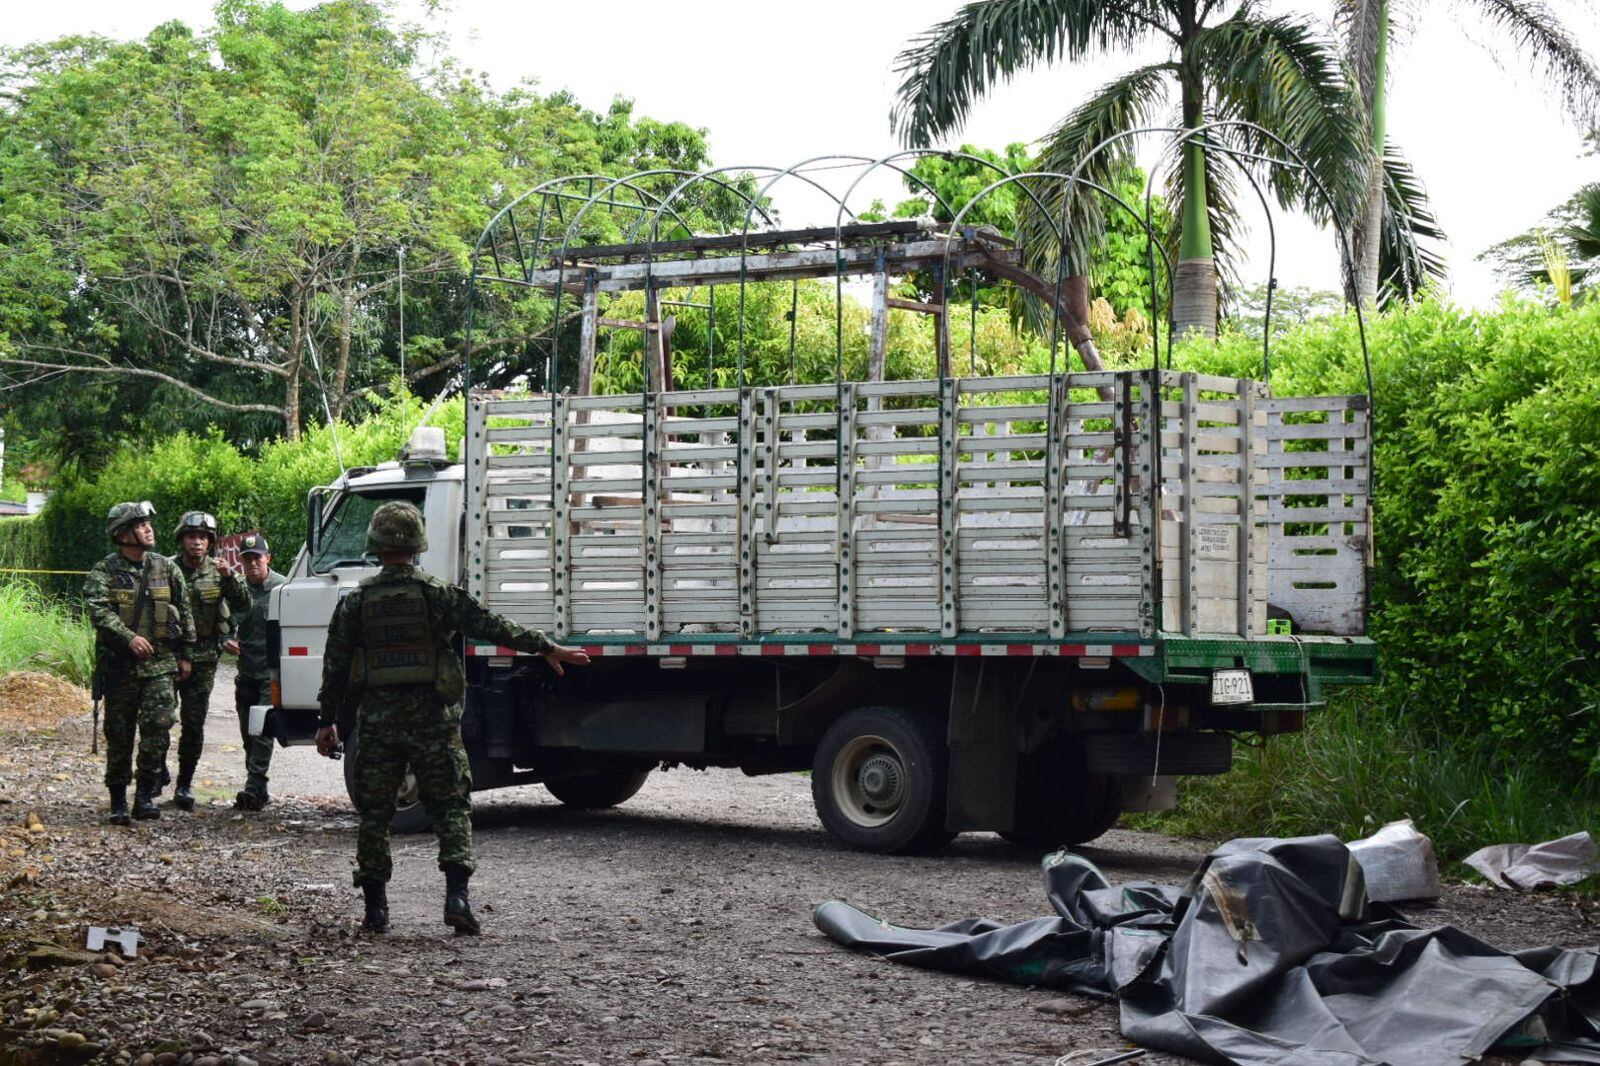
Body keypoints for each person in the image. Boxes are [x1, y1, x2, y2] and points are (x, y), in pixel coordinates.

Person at [313, 501, 590, 935]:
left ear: (375, 545)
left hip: (379, 723)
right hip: (434, 721)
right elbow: (492, 625)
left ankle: (376, 910)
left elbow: (335, 667)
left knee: (376, 813)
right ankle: (457, 898)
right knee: (451, 806)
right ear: (418, 545)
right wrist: (548, 648)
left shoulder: (357, 601)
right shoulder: (437, 595)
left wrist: (327, 720)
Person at [83, 501, 196, 825]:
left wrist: (186, 655)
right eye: (141, 524)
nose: (149, 529)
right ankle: (118, 800)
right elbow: (98, 610)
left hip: (159, 667)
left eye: (148, 523)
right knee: (119, 735)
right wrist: (128, 638)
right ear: (123, 533)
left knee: (158, 728)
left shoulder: (165, 568)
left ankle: (145, 795)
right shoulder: (104, 571)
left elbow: (184, 610)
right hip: (120, 669)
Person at [169, 511, 250, 811]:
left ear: (210, 542)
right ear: (182, 540)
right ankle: (154, 771)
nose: (197, 543)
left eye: (203, 538)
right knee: (159, 718)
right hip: (168, 656)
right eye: (192, 537)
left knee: (194, 723)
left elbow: (244, 604)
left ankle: (184, 784)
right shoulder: (166, 568)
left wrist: (230, 577)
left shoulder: (219, 571)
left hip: (203, 658)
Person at [226, 533, 285, 811]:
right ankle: (259, 789)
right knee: (248, 734)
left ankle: (253, 788)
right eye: (247, 559)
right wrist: (225, 639)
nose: (252, 564)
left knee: (262, 731)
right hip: (246, 673)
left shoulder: (283, 588)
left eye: (257, 559)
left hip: (271, 675)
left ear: (268, 559)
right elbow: (223, 623)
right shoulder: (237, 591)